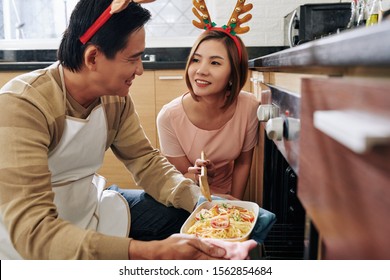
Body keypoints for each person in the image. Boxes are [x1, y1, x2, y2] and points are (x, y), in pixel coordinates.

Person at [0, 0, 260, 260]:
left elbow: (145, 161)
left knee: (188, 217)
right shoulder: (23, 104)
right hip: (32, 240)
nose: (140, 69)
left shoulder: (115, 99)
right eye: (133, 58)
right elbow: (32, 231)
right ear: (93, 57)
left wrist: (203, 203)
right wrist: (152, 253)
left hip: (90, 207)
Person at [157, 29, 259, 200]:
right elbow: (179, 178)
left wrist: (235, 204)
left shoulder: (249, 107)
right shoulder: (169, 117)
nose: (201, 71)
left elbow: (243, 163)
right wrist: (197, 176)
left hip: (227, 194)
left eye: (215, 63)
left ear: (233, 73)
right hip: (188, 198)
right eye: (196, 60)